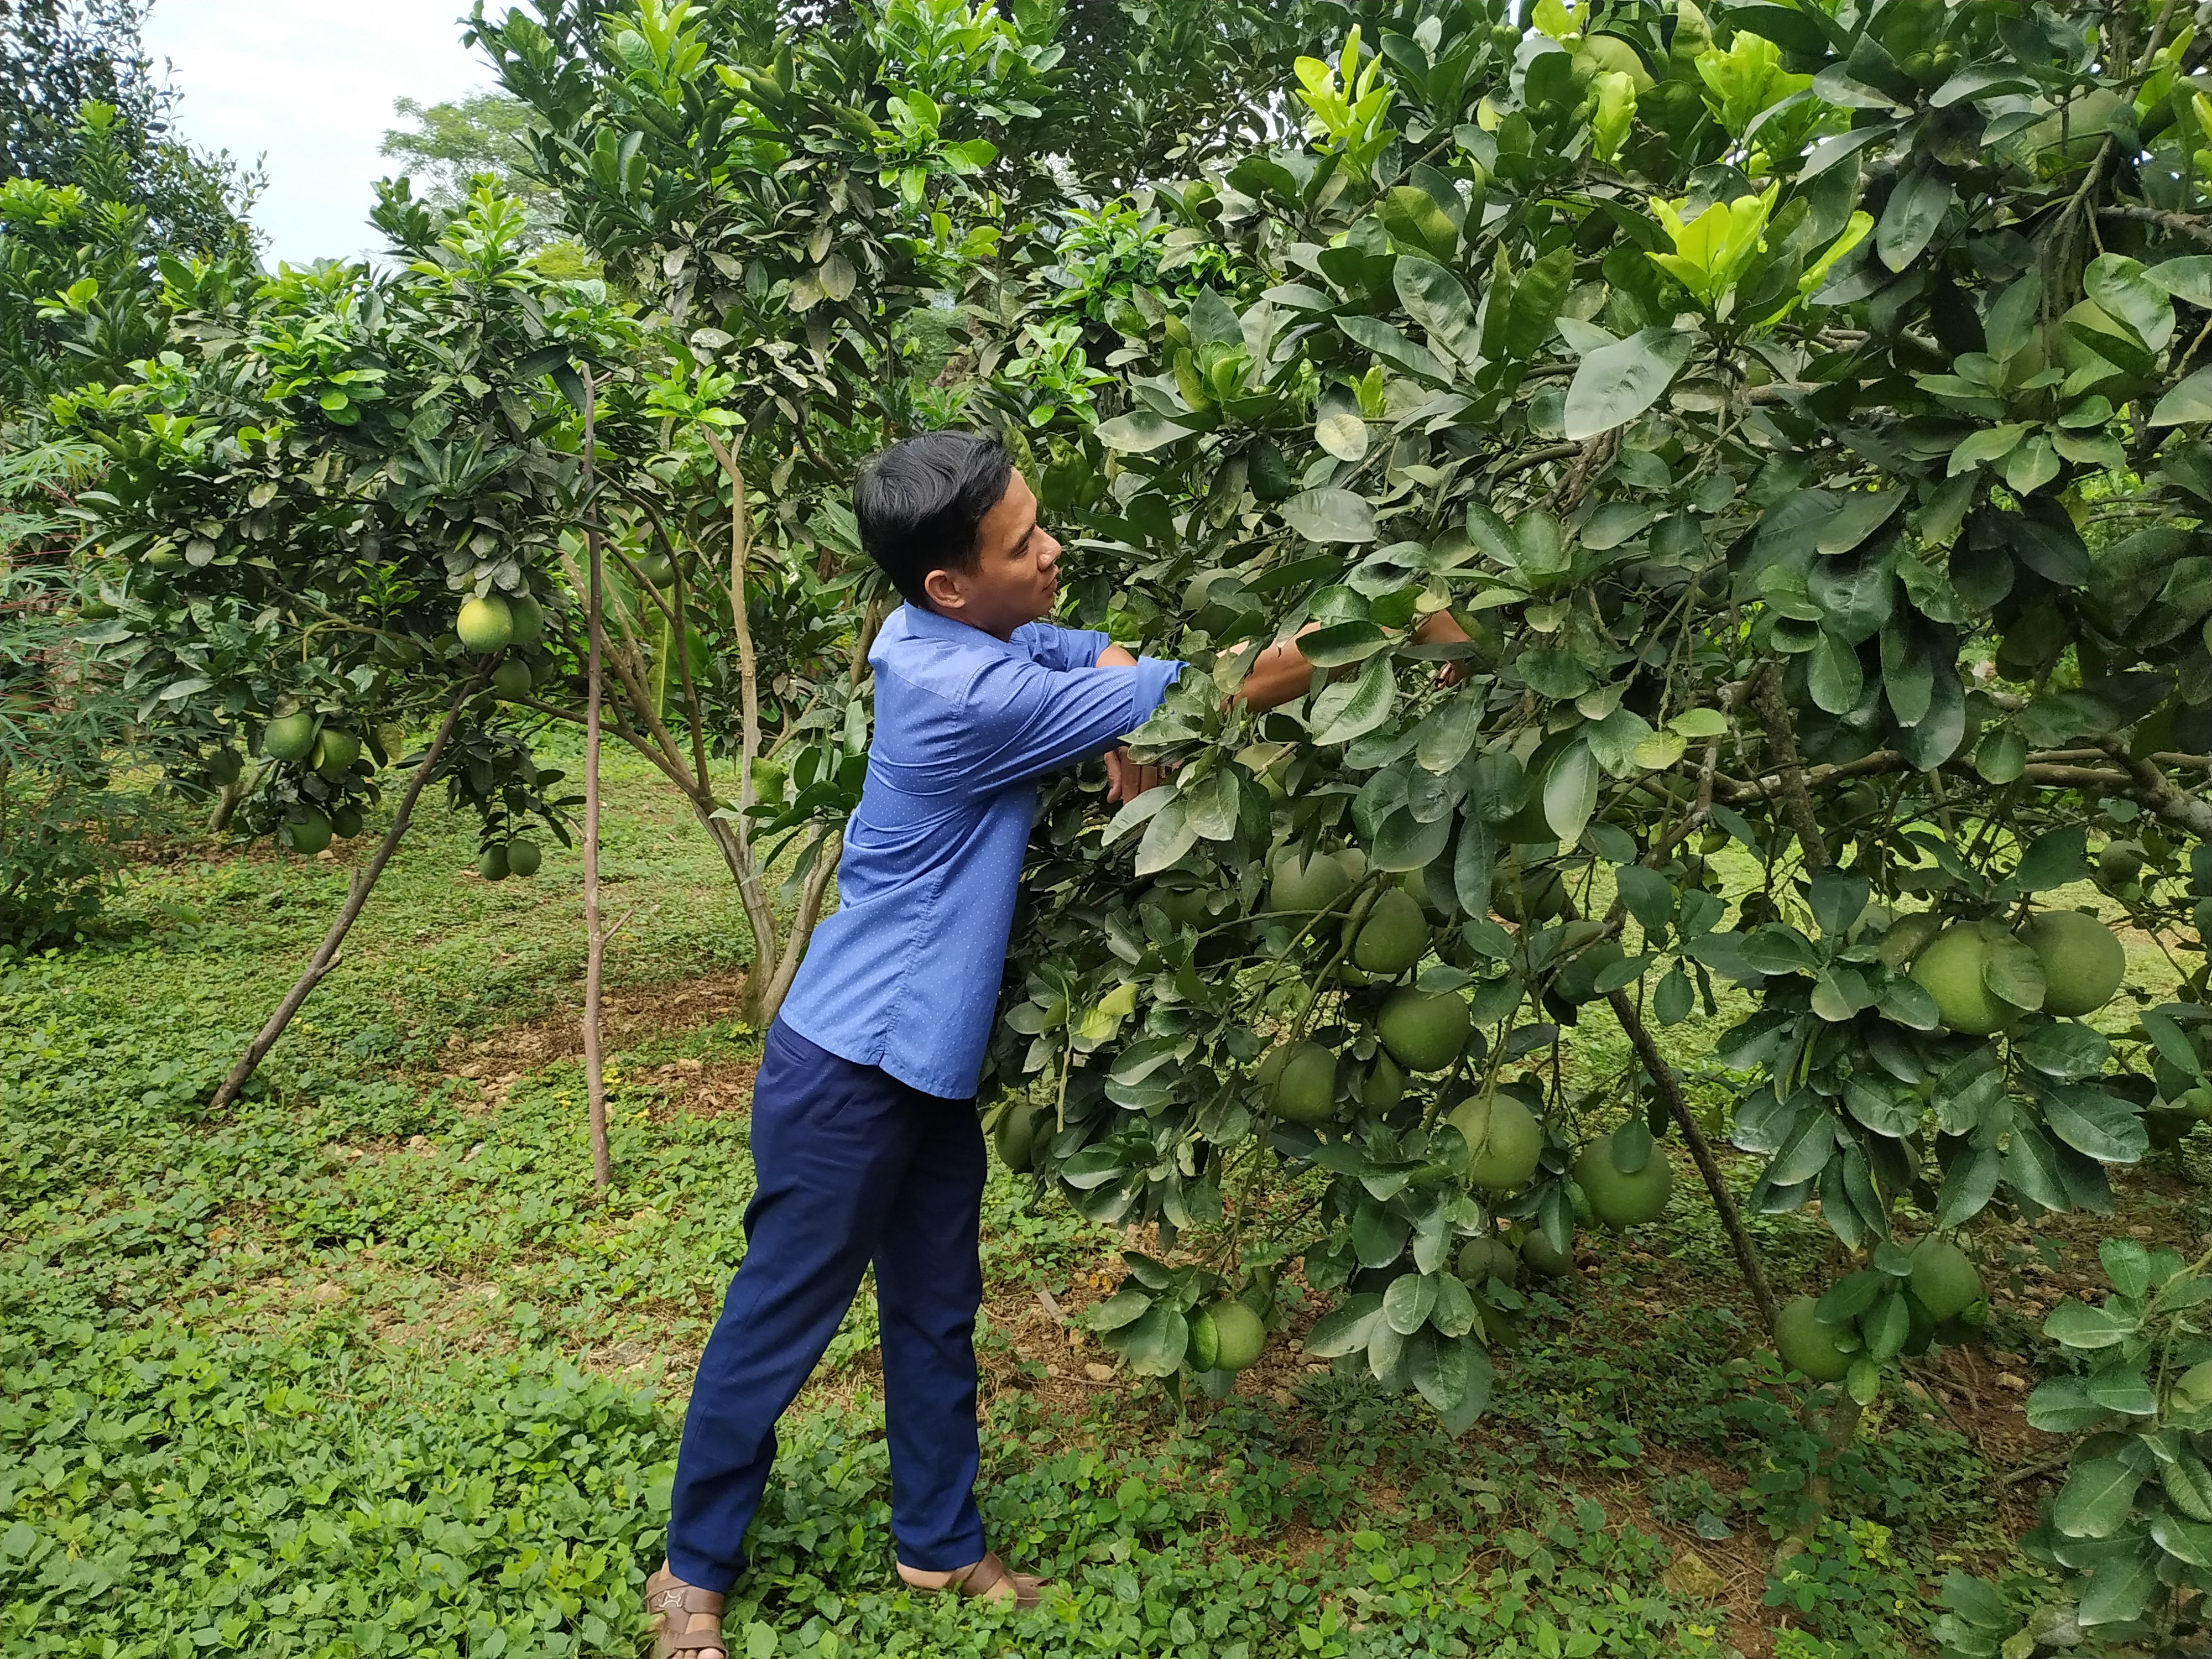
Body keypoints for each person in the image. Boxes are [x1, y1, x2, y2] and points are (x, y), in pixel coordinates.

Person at [644, 430, 1467, 1658]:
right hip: (847, 1068)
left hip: (923, 1062)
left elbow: (1104, 658)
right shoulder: (966, 693)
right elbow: (1212, 688)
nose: (1052, 550)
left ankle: (939, 1544)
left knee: (935, 1310)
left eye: (1038, 524)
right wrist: (1401, 620)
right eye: (1023, 542)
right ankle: (689, 1576)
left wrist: (1112, 717)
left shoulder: (958, 637)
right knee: (780, 1319)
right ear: (948, 583)